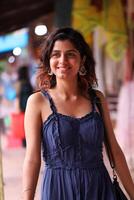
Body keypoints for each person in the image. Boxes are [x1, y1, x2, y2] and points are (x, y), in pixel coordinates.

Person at [22, 27, 134, 200]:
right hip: (58, 190)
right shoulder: (37, 102)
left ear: (82, 61)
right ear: (48, 61)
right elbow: (32, 159)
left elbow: (115, 150)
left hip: (99, 188)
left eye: (71, 54)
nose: (63, 60)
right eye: (56, 54)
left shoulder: (97, 98)